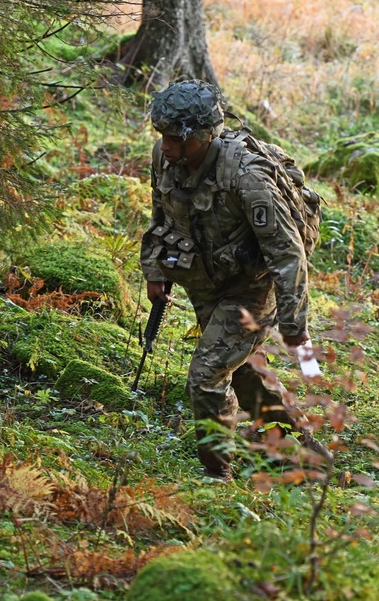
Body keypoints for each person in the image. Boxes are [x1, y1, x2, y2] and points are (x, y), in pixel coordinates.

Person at [140, 79, 331, 481]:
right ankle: (295, 446)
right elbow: (161, 212)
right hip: (205, 280)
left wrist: (296, 330)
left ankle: (217, 475)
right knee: (240, 368)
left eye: (175, 137)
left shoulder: (246, 177)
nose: (166, 145)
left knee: (206, 376)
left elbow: (288, 253)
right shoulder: (166, 156)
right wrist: (155, 268)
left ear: (204, 137)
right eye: (162, 135)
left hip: (251, 287)